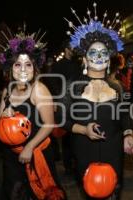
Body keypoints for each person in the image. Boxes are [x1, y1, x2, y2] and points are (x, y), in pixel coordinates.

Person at [62, 5, 133, 199]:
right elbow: (62, 119)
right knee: (90, 192)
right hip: (84, 149)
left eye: (103, 53)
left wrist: (128, 134)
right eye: (93, 53)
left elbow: (124, 114)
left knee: (113, 191)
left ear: (109, 60)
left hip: (113, 149)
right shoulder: (72, 86)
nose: (99, 57)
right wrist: (83, 129)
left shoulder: (117, 86)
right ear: (85, 59)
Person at [0, 30, 65, 199]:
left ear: (34, 68)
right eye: (17, 64)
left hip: (36, 152)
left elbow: (49, 124)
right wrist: (4, 116)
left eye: (28, 64)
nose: (23, 69)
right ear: (11, 68)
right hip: (12, 156)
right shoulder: (7, 91)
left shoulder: (39, 89)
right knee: (13, 192)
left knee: (38, 193)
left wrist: (29, 147)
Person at [48, 39, 80, 175]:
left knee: (77, 133)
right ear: (66, 49)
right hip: (63, 102)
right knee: (66, 133)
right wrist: (56, 100)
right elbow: (53, 82)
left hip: (77, 103)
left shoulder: (77, 64)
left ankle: (76, 160)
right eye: (72, 47)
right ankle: (68, 165)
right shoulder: (58, 65)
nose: (74, 50)